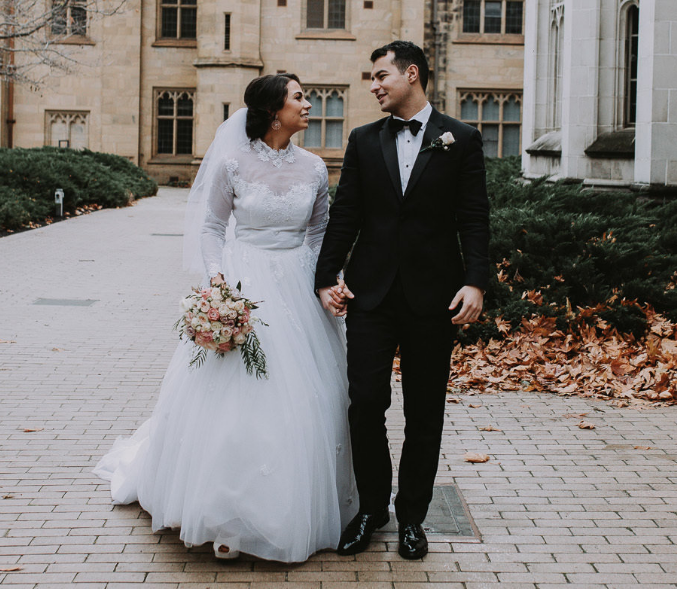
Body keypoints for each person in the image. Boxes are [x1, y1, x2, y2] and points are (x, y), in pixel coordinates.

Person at [94, 74, 355, 562]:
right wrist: (219, 284)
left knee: (309, 397)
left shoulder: (316, 168)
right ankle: (223, 512)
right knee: (235, 401)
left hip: (298, 286)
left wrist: (328, 282)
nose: (309, 103)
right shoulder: (234, 164)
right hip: (244, 282)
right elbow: (212, 228)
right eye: (300, 97)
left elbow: (320, 235)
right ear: (274, 110)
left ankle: (292, 507)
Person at [315, 41, 490, 561]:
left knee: (425, 412)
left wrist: (476, 281)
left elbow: (474, 217)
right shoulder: (365, 140)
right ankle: (372, 509)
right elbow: (345, 214)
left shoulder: (462, 139)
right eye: (371, 77)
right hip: (370, 294)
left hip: (435, 297)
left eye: (380, 75)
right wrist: (325, 277)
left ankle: (413, 516)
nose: (373, 86)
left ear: (411, 74)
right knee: (365, 402)